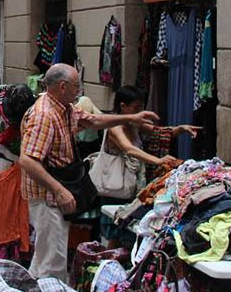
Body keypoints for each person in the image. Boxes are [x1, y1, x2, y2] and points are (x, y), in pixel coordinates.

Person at [18, 64, 160, 282]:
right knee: (52, 263)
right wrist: (60, 191)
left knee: (45, 256)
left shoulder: (64, 107)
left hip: (53, 196)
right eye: (77, 86)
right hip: (47, 197)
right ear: (62, 86)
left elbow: (93, 120)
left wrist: (129, 119)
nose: (80, 90)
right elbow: (28, 161)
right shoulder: (44, 114)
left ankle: (33, 285)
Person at [100, 84, 199, 248]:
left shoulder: (135, 124)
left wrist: (180, 129)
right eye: (136, 108)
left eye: (141, 107)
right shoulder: (115, 127)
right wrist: (158, 161)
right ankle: (111, 261)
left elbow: (160, 133)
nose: (140, 112)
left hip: (133, 185)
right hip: (115, 188)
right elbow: (129, 149)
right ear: (123, 106)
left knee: (128, 228)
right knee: (115, 230)